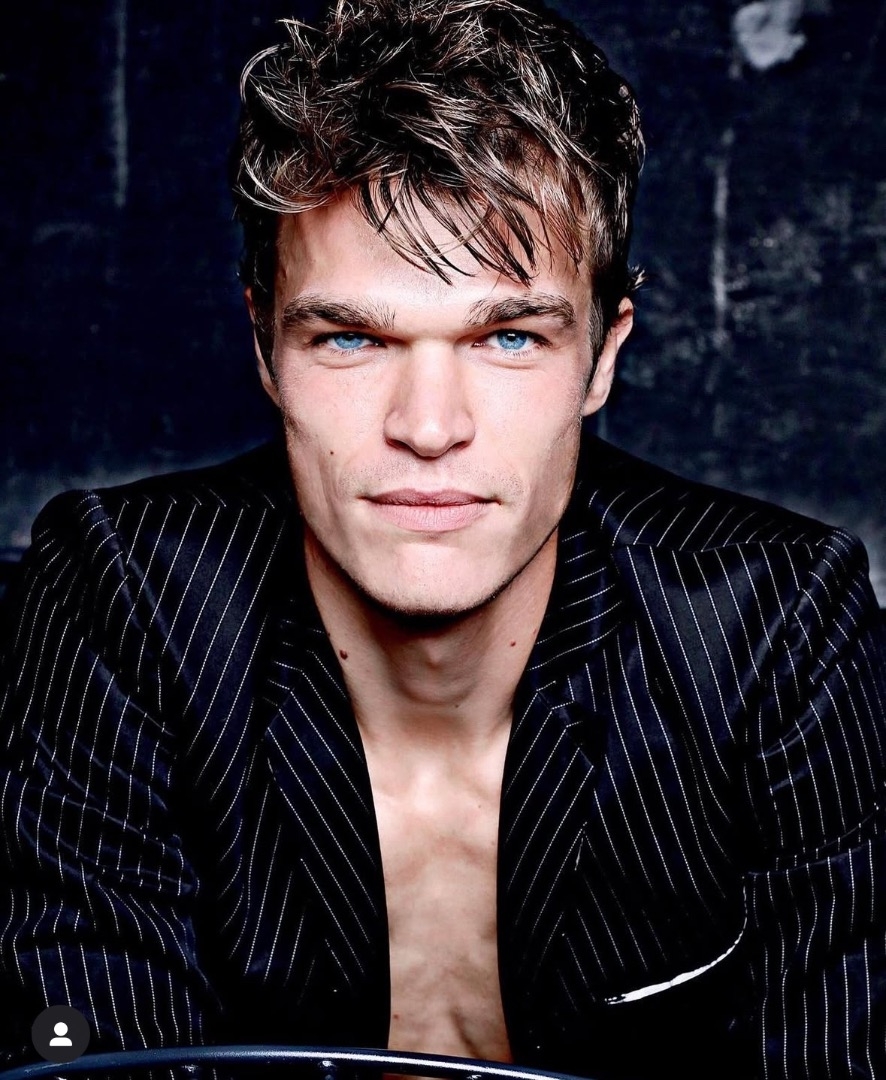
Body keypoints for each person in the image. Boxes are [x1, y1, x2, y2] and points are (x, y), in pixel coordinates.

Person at [1, 0, 884, 1077]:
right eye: (350, 338)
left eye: (508, 337)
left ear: (603, 356)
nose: (428, 427)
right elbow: (95, 1060)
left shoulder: (772, 626)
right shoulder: (122, 596)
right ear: (266, 348)